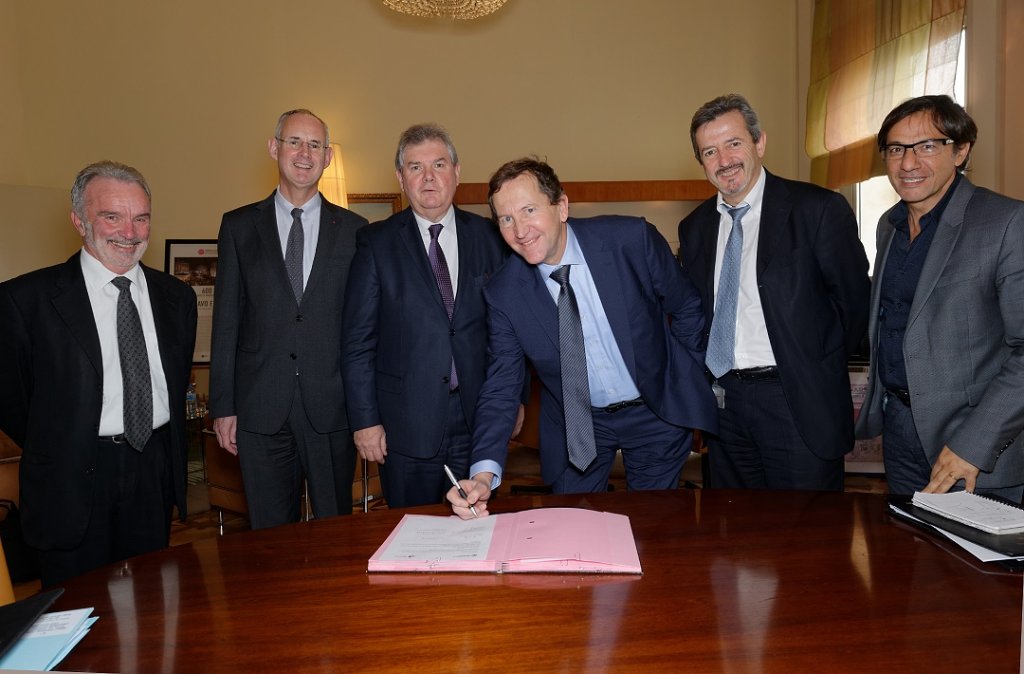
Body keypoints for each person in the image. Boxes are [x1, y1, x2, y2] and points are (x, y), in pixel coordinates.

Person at [448, 158, 717, 518]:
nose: (520, 230)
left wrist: (684, 374)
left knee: (655, 528)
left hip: (654, 413)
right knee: (570, 535)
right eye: (506, 219)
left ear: (561, 206)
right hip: (577, 424)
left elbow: (686, 307)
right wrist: (482, 476)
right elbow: (501, 383)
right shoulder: (504, 293)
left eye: (529, 210)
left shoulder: (629, 240)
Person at [0, 161, 197, 587]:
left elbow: (175, 380)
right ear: (79, 221)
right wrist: (61, 439)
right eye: (112, 216)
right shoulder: (25, 301)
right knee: (77, 617)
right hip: (72, 478)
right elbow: (12, 400)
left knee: (150, 607)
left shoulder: (176, 298)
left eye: (140, 218)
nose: (129, 232)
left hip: (153, 469)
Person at [678, 93, 870, 491]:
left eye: (734, 143)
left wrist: (812, 363)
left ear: (759, 143)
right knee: (737, 539)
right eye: (709, 151)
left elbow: (853, 305)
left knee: (807, 541)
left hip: (796, 401)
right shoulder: (694, 229)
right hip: (725, 407)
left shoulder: (818, 210)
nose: (724, 160)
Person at [341, 123, 520, 508]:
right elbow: (357, 342)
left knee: (480, 530)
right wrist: (364, 421)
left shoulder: (491, 238)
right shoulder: (376, 243)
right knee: (412, 534)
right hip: (404, 425)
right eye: (415, 167)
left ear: (457, 172)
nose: (428, 177)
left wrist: (515, 400)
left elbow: (510, 332)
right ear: (400, 178)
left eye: (438, 164)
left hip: (480, 417)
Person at [855, 95, 1024, 500]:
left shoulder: (1005, 222)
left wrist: (974, 444)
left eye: (928, 146)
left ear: (961, 150)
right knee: (909, 558)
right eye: (896, 149)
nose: (908, 164)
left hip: (973, 447)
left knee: (970, 564)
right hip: (899, 435)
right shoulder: (888, 226)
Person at [210, 109, 368, 529]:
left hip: (332, 409)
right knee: (268, 538)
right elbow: (226, 323)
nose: (304, 153)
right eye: (294, 141)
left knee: (336, 532)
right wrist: (223, 405)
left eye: (315, 145)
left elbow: (363, 330)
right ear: (274, 147)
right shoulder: (238, 227)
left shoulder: (356, 231)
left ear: (328, 156)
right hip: (259, 408)